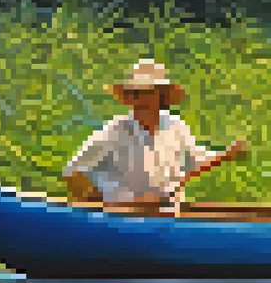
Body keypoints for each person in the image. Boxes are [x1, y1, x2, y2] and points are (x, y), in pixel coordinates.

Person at [62, 60, 246, 209]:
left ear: (161, 97)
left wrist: (226, 154)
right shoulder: (115, 132)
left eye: (147, 93)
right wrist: (119, 202)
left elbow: (197, 161)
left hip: (165, 216)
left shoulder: (175, 127)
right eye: (136, 94)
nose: (140, 100)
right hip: (121, 221)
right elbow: (72, 173)